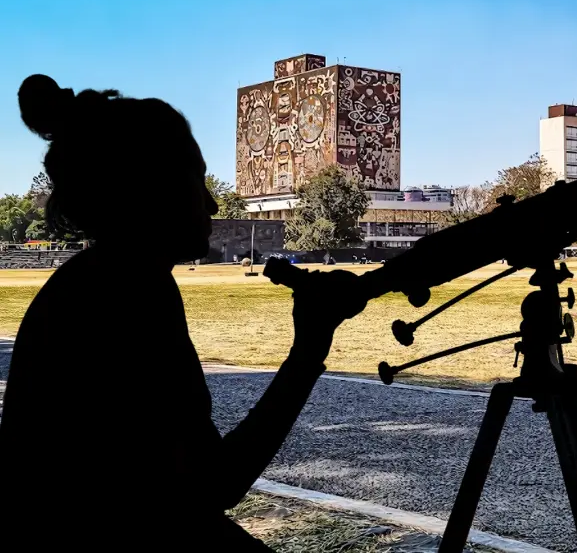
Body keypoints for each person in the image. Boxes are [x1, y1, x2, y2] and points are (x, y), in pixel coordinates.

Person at [0, 75, 370, 551]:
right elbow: (213, 483)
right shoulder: (126, 297)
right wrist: (308, 351)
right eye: (196, 180)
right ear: (154, 192)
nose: (213, 203)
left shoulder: (108, 282)